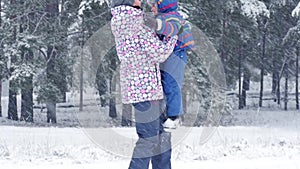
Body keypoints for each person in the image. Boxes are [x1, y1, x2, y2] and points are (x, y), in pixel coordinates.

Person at [110, 0, 178, 168]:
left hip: (138, 87)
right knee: (149, 139)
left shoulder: (120, 20)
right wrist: (174, 35)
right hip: (146, 88)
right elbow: (159, 52)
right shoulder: (136, 21)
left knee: (160, 136)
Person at [144, 0, 194, 129]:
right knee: (163, 83)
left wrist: (156, 24)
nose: (153, 8)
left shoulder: (173, 17)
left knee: (172, 82)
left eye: (155, 5)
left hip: (177, 52)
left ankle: (174, 116)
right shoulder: (163, 17)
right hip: (167, 54)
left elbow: (172, 29)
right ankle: (163, 113)